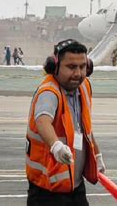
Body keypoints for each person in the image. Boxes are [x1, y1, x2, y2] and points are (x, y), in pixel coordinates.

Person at [26, 39, 105, 206]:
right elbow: (42, 121)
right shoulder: (49, 92)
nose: (77, 73)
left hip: (74, 186)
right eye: (71, 67)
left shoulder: (83, 88)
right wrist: (56, 146)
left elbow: (85, 127)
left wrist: (96, 154)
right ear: (55, 67)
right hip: (47, 191)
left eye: (82, 67)